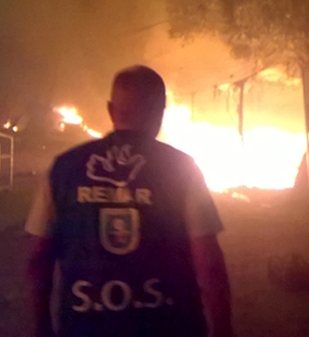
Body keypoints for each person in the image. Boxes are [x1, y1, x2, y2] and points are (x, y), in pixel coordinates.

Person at [25, 65, 232, 337]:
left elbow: (38, 258)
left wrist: (40, 327)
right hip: (171, 326)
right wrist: (223, 330)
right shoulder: (181, 168)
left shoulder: (63, 169)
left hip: (85, 328)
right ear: (160, 113)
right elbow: (208, 263)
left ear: (111, 111)